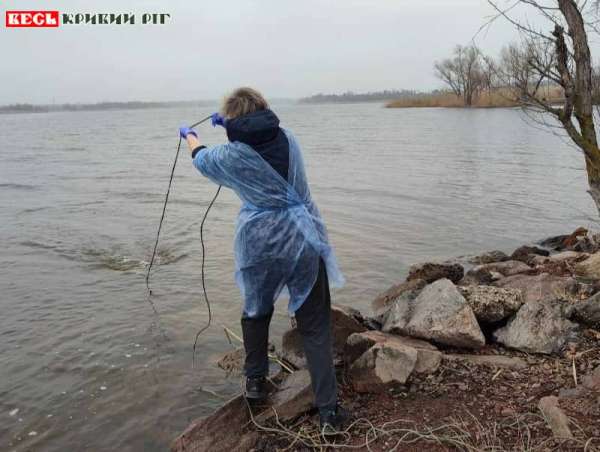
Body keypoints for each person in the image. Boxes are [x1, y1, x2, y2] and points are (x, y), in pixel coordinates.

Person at [179, 87, 349, 433]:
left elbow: (200, 158)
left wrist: (192, 135)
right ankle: (329, 415)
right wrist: (228, 126)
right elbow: (258, 143)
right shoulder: (290, 138)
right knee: (314, 328)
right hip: (304, 238)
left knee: (256, 310)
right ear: (264, 111)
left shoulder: (231, 156)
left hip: (259, 243)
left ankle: (255, 380)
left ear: (232, 121)